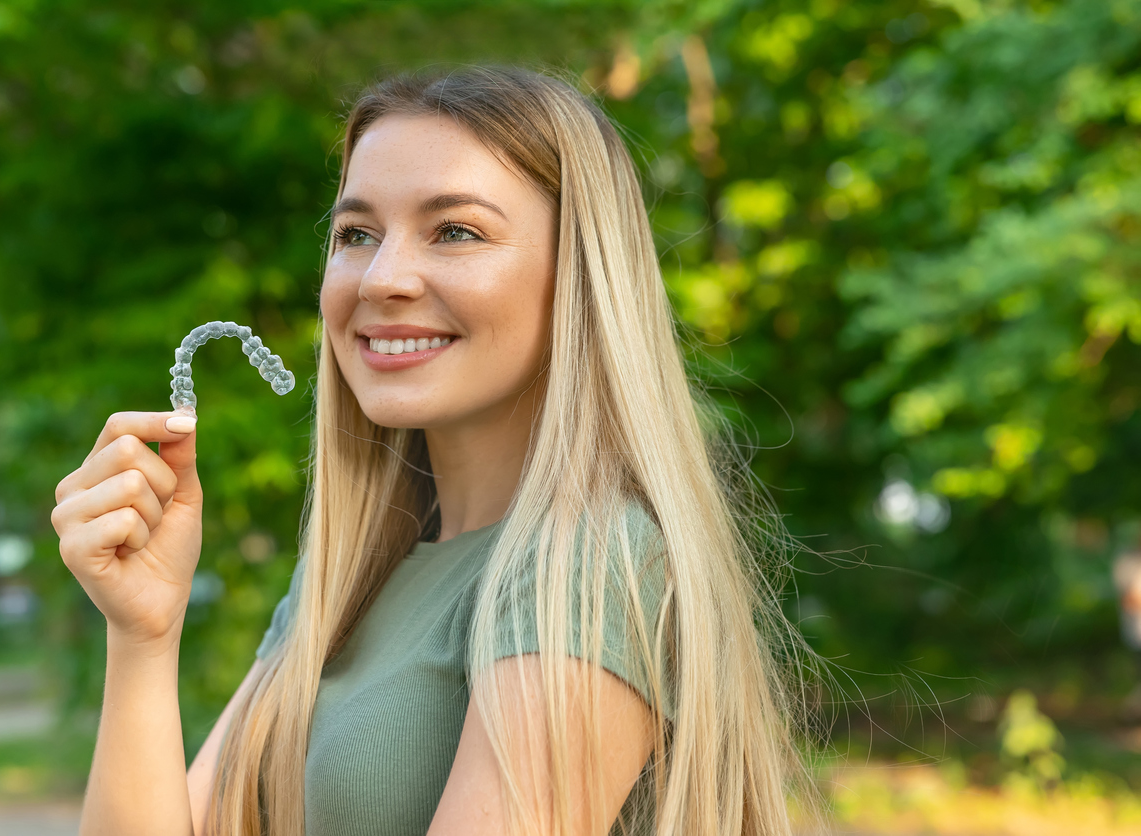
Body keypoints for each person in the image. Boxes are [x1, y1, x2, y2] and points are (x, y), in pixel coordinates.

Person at [50, 66, 815, 836]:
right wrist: (144, 636)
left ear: (578, 275)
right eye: (357, 235)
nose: (383, 278)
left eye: (455, 231)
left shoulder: (585, 567)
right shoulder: (345, 580)